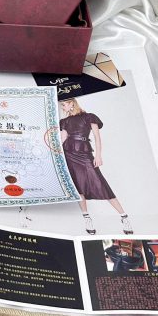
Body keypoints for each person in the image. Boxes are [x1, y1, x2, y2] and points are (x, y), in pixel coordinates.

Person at [60, 98, 132, 235]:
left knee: (101, 184)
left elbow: (97, 137)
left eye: (64, 105)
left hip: (85, 153)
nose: (63, 107)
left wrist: (98, 156)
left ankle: (124, 217)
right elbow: (63, 139)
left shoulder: (89, 117)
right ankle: (87, 218)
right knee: (78, 186)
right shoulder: (65, 121)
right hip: (69, 154)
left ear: (72, 103)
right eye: (61, 105)